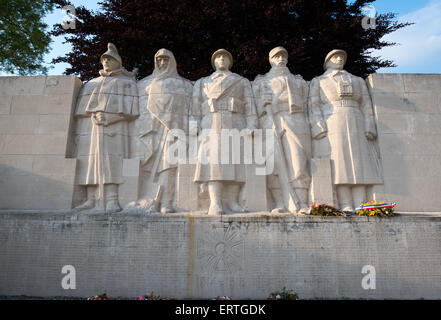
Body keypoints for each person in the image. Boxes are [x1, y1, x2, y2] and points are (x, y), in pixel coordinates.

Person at [309, 49, 382, 211]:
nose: (339, 59)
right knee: (340, 164)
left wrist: (370, 125)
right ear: (327, 62)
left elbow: (366, 104)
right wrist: (318, 126)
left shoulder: (357, 80)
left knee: (361, 164)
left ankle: (361, 202)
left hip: (357, 119)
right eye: (335, 57)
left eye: (342, 57)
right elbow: (314, 105)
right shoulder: (319, 81)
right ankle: (346, 203)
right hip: (333, 120)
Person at [253, 46, 320, 213]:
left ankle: (301, 203)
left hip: (296, 120)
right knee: (273, 166)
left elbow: (309, 103)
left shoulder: (299, 81)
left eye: (283, 55)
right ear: (270, 60)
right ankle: (279, 203)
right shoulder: (261, 82)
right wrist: (264, 103)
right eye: (276, 56)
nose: (280, 58)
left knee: (299, 162)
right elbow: (253, 105)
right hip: (271, 120)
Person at [74, 43, 139, 213]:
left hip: (116, 129)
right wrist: (93, 116)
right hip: (92, 129)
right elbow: (81, 112)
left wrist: (111, 118)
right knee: (90, 162)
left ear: (118, 62)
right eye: (104, 60)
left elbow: (132, 111)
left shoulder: (127, 83)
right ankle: (91, 198)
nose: (106, 62)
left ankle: (112, 199)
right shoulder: (92, 83)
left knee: (113, 163)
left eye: (110, 59)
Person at [191, 49, 258, 215]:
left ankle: (233, 201)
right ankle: (215, 202)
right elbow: (195, 106)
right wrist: (193, 124)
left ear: (230, 62)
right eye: (218, 57)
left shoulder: (241, 81)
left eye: (225, 57)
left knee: (236, 162)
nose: (221, 59)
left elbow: (250, 104)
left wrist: (252, 124)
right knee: (214, 162)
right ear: (214, 62)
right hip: (211, 121)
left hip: (236, 121)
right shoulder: (202, 82)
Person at [136, 48, 193, 213]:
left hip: (174, 129)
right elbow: (139, 111)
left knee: (169, 165)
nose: (162, 63)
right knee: (150, 165)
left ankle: (167, 201)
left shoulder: (184, 84)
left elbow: (190, 109)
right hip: (151, 131)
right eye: (159, 60)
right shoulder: (144, 84)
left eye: (165, 60)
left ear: (172, 62)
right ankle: (149, 198)